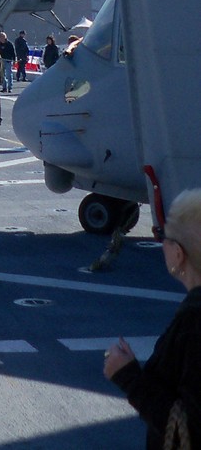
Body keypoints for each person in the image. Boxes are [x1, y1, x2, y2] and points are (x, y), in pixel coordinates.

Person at [104, 188, 201, 448]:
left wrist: (128, 377)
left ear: (179, 254)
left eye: (163, 237)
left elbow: (189, 429)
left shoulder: (194, 324)